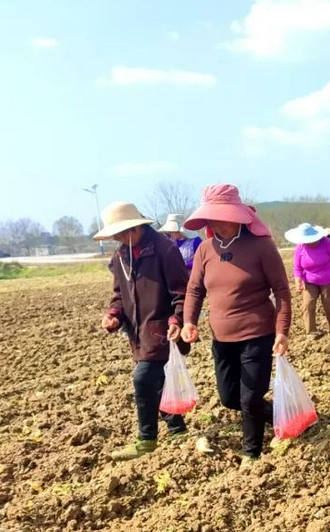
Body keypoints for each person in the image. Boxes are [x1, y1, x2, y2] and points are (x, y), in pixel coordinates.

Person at [180, 185, 291, 464]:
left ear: (237, 216)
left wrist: (281, 331)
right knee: (230, 398)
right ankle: (283, 415)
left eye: (220, 216)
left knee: (250, 398)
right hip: (221, 337)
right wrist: (189, 321)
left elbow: (281, 291)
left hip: (257, 333)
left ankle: (251, 453)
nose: (216, 223)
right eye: (211, 218)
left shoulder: (260, 246)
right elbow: (194, 290)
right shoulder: (206, 249)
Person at [95, 202, 191, 461]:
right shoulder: (120, 256)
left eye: (119, 233)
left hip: (161, 328)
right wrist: (114, 315)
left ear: (135, 228)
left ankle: (146, 439)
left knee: (143, 379)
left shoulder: (164, 250)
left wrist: (176, 319)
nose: (115, 238)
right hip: (136, 330)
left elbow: (182, 292)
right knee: (155, 380)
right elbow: (119, 294)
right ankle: (177, 428)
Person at [286, 223, 330, 338]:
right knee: (308, 305)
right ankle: (311, 331)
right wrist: (298, 280)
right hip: (309, 280)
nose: (310, 243)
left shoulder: (327, 243)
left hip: (328, 279)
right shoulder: (300, 247)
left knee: (329, 305)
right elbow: (297, 267)